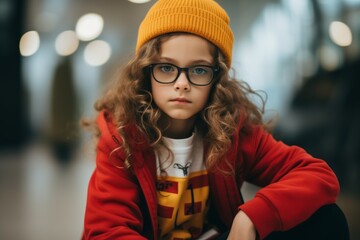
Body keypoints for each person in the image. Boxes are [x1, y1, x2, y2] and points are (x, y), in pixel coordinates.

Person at [82, 0, 349, 239]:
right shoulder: (122, 136)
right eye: (166, 68)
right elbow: (107, 232)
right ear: (145, 72)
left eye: (198, 70)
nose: (182, 84)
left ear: (217, 78)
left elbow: (318, 175)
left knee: (327, 219)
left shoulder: (232, 130)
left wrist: (252, 216)